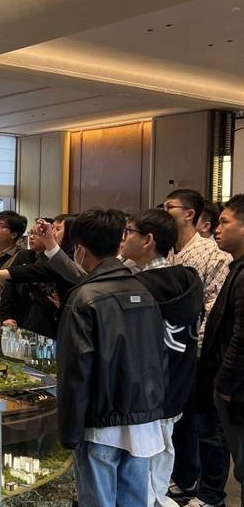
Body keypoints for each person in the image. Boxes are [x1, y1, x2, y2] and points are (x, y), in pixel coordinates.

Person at [57, 208, 166, 507]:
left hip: (100, 425)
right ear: (119, 242)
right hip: (143, 421)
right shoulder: (144, 291)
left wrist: (69, 432)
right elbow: (159, 355)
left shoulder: (83, 298)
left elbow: (75, 372)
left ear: (80, 249)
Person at [119, 209, 204, 507]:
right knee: (163, 456)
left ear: (148, 240)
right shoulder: (188, 279)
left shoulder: (136, 288)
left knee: (141, 467)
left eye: (129, 231)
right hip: (177, 386)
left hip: (146, 395)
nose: (123, 238)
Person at [164, 189, 232, 507]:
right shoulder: (167, 251)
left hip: (199, 352)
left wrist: (189, 342)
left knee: (204, 426)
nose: (164, 212)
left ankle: (210, 493)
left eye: (170, 207)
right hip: (171, 352)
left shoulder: (212, 255)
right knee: (180, 421)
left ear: (190, 213)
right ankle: (184, 477)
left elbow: (213, 308)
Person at [199, 195, 244, 507]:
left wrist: (225, 384)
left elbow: (241, 337)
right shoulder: (236, 268)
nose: (217, 229)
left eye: (225, 222)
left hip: (236, 390)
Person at [0, 219, 60, 338]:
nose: (31, 237)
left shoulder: (56, 261)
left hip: (47, 324)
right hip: (20, 318)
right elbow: (10, 287)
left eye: (37, 234)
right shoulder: (24, 255)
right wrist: (6, 316)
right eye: (31, 233)